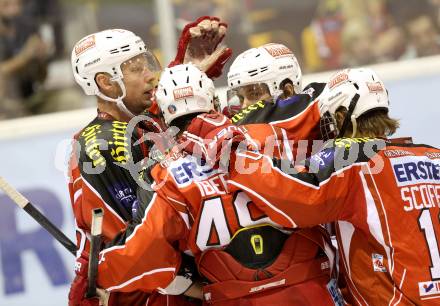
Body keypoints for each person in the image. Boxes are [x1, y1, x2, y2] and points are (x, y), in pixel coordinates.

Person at [80, 63, 341, 306]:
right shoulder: (268, 133)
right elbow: (325, 102)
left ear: (164, 116)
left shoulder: (166, 173)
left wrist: (98, 271)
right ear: (214, 101)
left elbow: (145, 254)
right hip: (311, 287)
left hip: (232, 298)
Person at [226, 67, 440, 305]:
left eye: (327, 118)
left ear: (340, 116)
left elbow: (293, 192)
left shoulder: (354, 155)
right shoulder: (433, 155)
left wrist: (232, 154)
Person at [67, 16, 232, 306]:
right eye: (135, 69)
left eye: (148, 63)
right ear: (105, 83)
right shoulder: (102, 144)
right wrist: (213, 290)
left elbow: (162, 112)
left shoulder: (140, 122)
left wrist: (185, 71)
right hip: (147, 297)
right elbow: (141, 249)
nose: (150, 76)